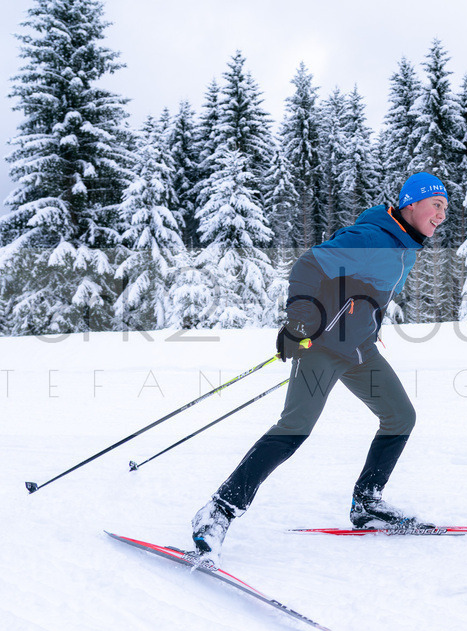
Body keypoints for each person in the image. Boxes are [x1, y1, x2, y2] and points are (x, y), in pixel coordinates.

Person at [191, 172, 449, 557]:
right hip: (323, 347)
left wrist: (368, 325)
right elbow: (308, 265)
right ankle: (218, 511)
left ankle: (367, 503)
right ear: (411, 204)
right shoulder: (372, 238)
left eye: (445, 207)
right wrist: (299, 320)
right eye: (436, 205)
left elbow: (363, 292)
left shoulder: (404, 246)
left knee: (400, 417)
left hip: (359, 350)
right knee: (294, 428)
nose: (442, 214)